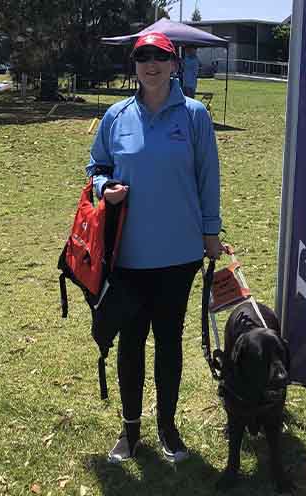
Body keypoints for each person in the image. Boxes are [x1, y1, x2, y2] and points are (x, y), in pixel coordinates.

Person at [85, 32, 225, 464]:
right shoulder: (116, 116)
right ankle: (130, 431)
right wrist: (106, 186)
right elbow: (96, 167)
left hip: (179, 253)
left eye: (160, 57)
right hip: (127, 254)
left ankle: (167, 426)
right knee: (131, 342)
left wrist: (210, 231)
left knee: (168, 341)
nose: (151, 64)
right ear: (135, 66)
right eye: (142, 57)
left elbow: (208, 176)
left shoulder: (195, 115)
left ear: (174, 64)